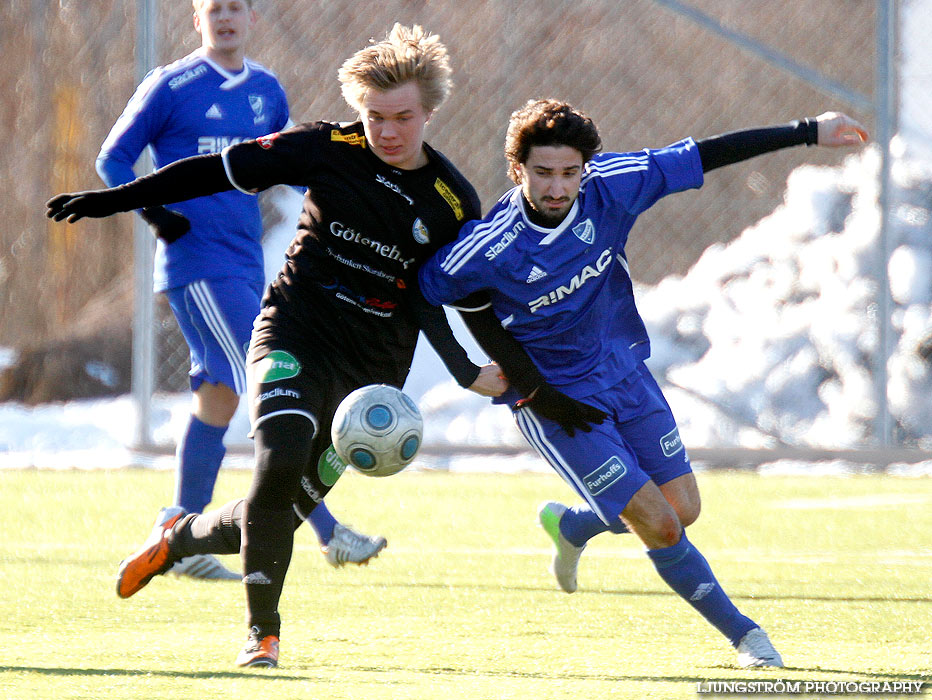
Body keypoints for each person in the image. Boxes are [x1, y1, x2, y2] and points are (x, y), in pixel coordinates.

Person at [46, 23, 556, 670]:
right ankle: (263, 634)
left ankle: (177, 541)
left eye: (403, 117)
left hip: (371, 372)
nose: (388, 131)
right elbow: (215, 170)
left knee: (279, 517)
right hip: (294, 329)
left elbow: (433, 297)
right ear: (357, 110)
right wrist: (122, 198)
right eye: (375, 117)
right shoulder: (326, 148)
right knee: (278, 458)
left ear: (429, 110)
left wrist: (466, 370)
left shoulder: (452, 202)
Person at [418, 99, 868, 668]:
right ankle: (748, 638)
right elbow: (428, 290)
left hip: (624, 373)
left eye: (569, 173)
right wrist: (478, 374)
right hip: (557, 402)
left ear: (585, 168)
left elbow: (705, 155)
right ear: (517, 171)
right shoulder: (493, 245)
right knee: (656, 521)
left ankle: (573, 523)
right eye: (542, 173)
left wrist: (807, 132)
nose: (557, 188)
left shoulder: (613, 186)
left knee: (681, 509)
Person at [96, 0, 387, 579]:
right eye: (214, 8)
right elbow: (114, 160)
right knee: (271, 381)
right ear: (196, 18)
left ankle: (178, 531)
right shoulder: (170, 85)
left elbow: (289, 166)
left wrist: (353, 187)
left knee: (220, 398)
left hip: (244, 264)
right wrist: (159, 216)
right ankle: (328, 533)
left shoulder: (267, 92)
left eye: (236, 7)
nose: (225, 17)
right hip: (197, 264)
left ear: (251, 17)